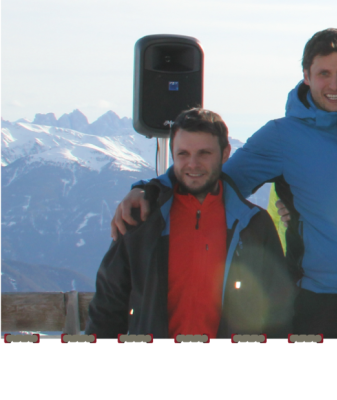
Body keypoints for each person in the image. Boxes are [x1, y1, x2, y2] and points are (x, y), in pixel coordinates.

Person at [111, 29, 337, 338]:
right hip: (316, 298)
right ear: (306, 76)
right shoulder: (281, 136)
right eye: (324, 73)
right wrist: (148, 188)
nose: (335, 84)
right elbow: (212, 176)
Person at [87, 108, 293, 340]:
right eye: (183, 154)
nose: (193, 164)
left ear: (225, 153)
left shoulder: (253, 224)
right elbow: (108, 306)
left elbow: (277, 312)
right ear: (172, 154)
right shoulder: (142, 219)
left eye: (204, 153)